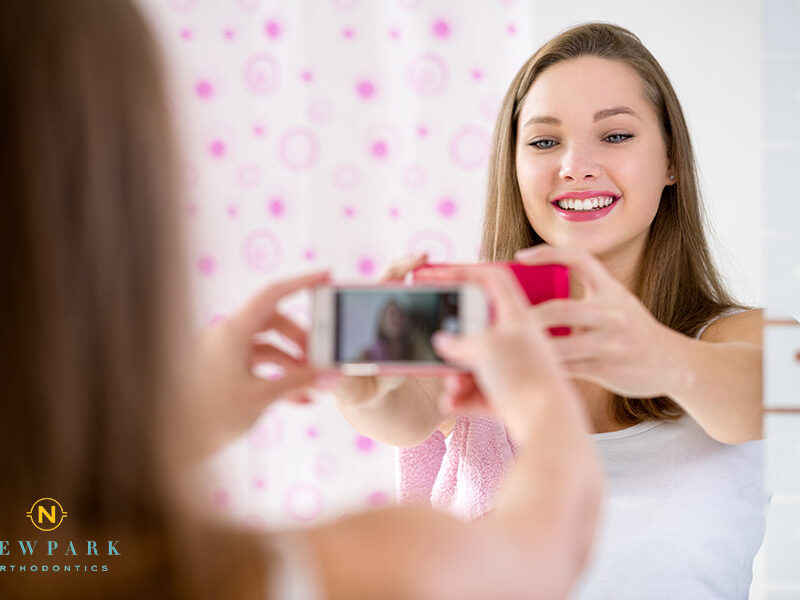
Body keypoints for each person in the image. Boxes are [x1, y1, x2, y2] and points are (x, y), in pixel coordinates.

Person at [0, 1, 603, 599]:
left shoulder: (37, 552)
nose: (577, 167)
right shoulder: (290, 571)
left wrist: (179, 426)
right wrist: (538, 396)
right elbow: (548, 547)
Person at [334, 23, 766, 598]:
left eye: (615, 136)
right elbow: (401, 416)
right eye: (543, 142)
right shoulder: (478, 335)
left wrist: (659, 358)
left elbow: (767, 391)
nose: (575, 165)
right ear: (514, 168)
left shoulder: (747, 336)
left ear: (671, 163)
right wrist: (366, 381)